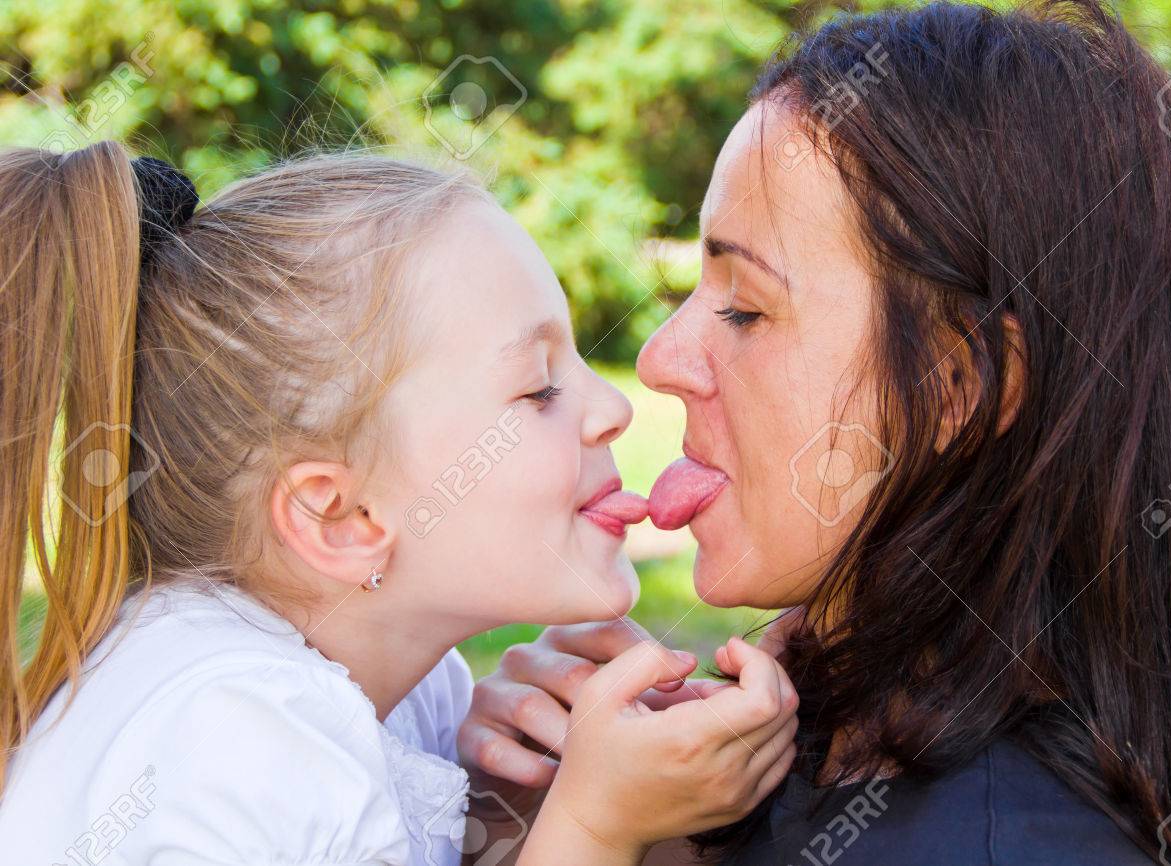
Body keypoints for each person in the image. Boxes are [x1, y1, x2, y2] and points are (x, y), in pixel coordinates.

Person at [459, 2, 1171, 864]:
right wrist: (539, 805)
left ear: (958, 384)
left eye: (745, 309)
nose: (661, 356)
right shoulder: (852, 746)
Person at [0, 145, 799, 865]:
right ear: (340, 517)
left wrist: (509, 807)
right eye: (539, 386)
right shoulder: (237, 742)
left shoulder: (411, 690)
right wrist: (596, 827)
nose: (613, 408)